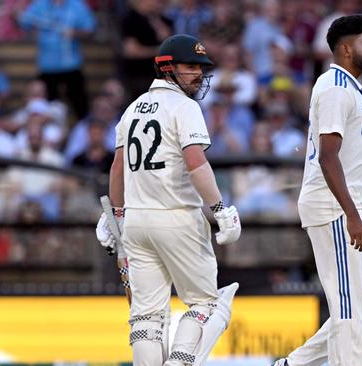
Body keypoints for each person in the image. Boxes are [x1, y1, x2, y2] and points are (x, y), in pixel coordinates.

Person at [94, 34, 241, 366]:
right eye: (191, 67)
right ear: (167, 68)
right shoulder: (185, 107)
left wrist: (115, 213)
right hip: (178, 218)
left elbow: (118, 167)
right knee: (205, 304)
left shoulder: (132, 108)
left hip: (137, 223)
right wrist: (220, 210)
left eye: (201, 68)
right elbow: (196, 164)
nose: (199, 75)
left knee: (147, 317)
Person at [273, 15, 362, 366]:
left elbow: (345, 162)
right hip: (332, 210)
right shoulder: (336, 87)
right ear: (347, 49)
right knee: (349, 307)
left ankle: (293, 364)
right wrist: (351, 214)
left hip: (346, 205)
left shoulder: (347, 86)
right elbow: (328, 157)